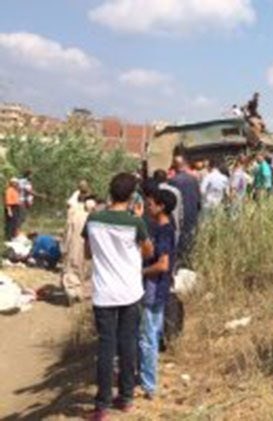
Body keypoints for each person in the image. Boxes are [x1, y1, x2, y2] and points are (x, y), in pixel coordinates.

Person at [83, 173, 154, 419]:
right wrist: (139, 219)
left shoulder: (93, 219)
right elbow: (148, 252)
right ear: (133, 196)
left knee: (106, 347)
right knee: (128, 344)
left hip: (104, 293)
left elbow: (88, 253)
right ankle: (126, 398)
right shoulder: (135, 223)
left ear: (110, 193)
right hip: (130, 292)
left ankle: (102, 404)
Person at [139, 188, 177, 400]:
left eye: (150, 204)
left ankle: (148, 384)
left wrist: (140, 272)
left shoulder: (164, 231)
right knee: (151, 332)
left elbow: (163, 264)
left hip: (154, 288)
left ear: (161, 207)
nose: (147, 207)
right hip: (157, 287)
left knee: (148, 336)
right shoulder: (161, 228)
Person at [62, 197, 96, 303]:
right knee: (85, 269)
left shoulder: (75, 214)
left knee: (73, 267)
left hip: (75, 245)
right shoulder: (94, 217)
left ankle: (73, 291)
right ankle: (81, 292)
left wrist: (64, 247)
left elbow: (68, 232)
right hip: (85, 245)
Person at [169, 156, 201, 261]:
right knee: (190, 238)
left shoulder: (173, 181)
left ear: (175, 166)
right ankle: (189, 259)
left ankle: (180, 259)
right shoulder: (193, 179)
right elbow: (199, 198)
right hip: (192, 212)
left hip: (179, 214)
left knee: (179, 239)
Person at [153, 169, 183, 245]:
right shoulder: (176, 191)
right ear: (166, 178)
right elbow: (181, 211)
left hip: (159, 226)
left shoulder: (154, 191)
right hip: (174, 225)